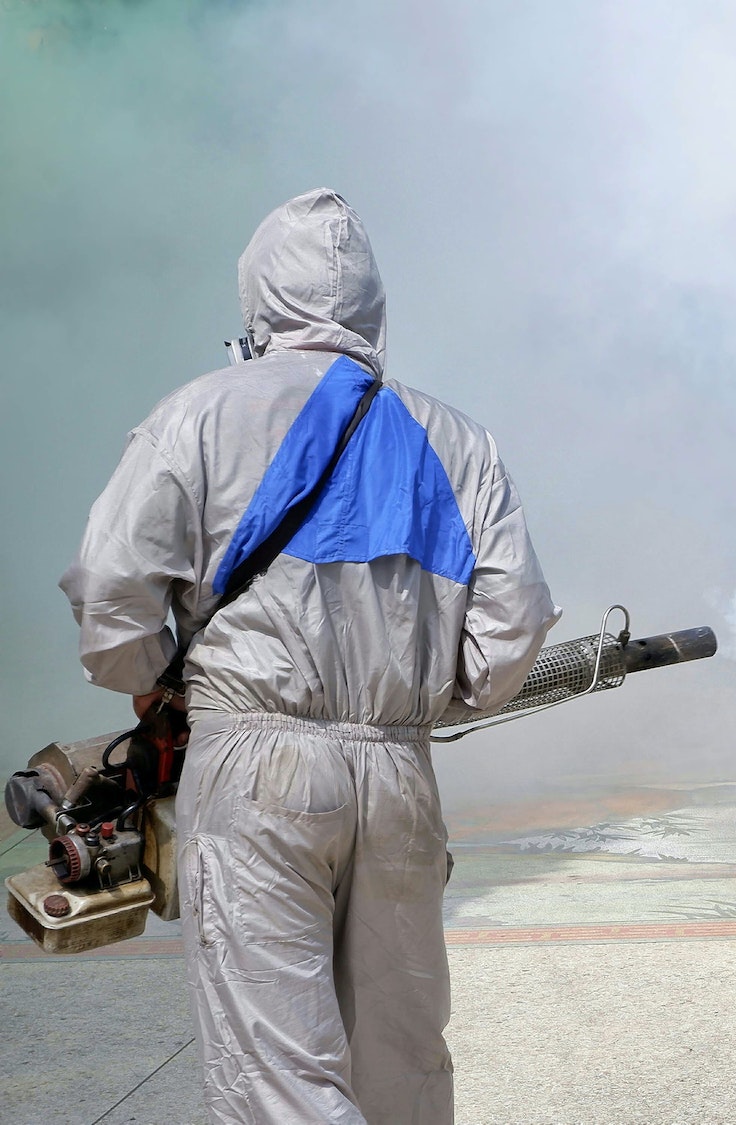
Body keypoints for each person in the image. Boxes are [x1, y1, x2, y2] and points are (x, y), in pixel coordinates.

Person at [59, 189, 561, 1125]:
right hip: (399, 774)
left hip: (257, 769)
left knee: (278, 1073)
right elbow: (511, 630)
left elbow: (109, 594)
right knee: (402, 1059)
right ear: (373, 305)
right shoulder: (456, 439)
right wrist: (416, 706)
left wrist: (156, 685)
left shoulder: (201, 416)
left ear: (257, 301)